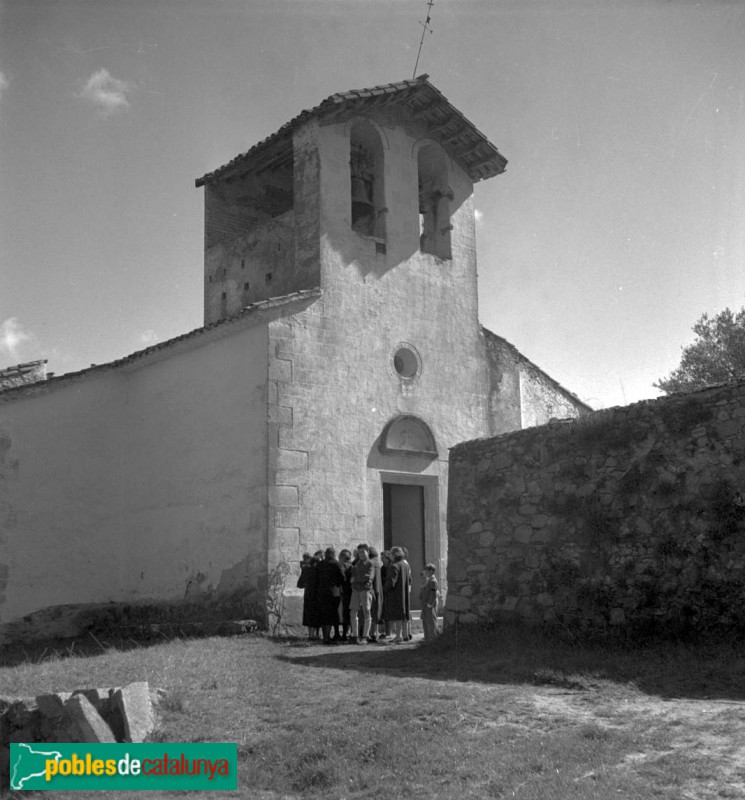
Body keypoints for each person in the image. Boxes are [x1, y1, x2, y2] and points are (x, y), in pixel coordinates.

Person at [316, 546, 344, 644]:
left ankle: (325, 637)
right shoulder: (336, 563)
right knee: (331, 614)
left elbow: (316, 578)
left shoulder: (320, 564)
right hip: (333, 592)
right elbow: (342, 577)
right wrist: (337, 584)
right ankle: (328, 638)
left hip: (321, 591)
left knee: (323, 615)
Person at [349, 545, 375, 644]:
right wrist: (356, 579)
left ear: (367, 552)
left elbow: (368, 577)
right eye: (360, 552)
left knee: (366, 612)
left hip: (365, 590)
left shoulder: (370, 564)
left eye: (363, 552)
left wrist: (356, 579)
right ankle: (355, 636)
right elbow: (353, 576)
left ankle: (365, 636)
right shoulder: (357, 563)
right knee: (353, 611)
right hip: (356, 589)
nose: (361, 554)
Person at [384, 547, 410, 643]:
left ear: (395, 555)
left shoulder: (394, 566)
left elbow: (391, 581)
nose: (389, 556)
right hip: (404, 592)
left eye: (391, 554)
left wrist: (385, 588)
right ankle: (405, 634)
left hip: (395, 594)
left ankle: (398, 636)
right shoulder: (405, 564)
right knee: (404, 613)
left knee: (398, 615)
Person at [297, 552, 320, 641]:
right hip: (316, 594)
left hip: (308, 594)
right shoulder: (317, 571)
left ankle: (310, 634)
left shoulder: (306, 570)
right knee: (315, 614)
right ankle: (315, 634)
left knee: (308, 614)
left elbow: (300, 584)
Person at [419, 563, 439, 641]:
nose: (425, 573)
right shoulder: (428, 580)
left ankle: (432, 639)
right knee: (426, 622)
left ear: (431, 571)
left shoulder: (433, 581)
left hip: (429, 606)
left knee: (431, 622)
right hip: (425, 605)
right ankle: (427, 638)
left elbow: (433, 593)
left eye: (426, 571)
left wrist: (429, 604)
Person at [367, 546, 384, 642]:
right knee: (376, 611)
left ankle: (371, 633)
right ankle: (375, 633)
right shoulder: (377, 563)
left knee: (371, 612)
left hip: (372, 589)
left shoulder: (371, 563)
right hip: (378, 589)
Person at [338, 549, 353, 641]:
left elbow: (342, 576)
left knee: (345, 613)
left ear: (342, 557)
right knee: (352, 613)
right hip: (353, 591)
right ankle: (351, 632)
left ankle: (345, 633)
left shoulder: (343, 565)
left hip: (345, 591)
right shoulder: (353, 565)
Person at [401, 546, 413, 641]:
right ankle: (407, 633)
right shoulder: (405, 563)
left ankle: (407, 633)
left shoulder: (404, 564)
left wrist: (408, 589)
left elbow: (408, 578)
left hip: (405, 590)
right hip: (407, 589)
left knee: (406, 612)